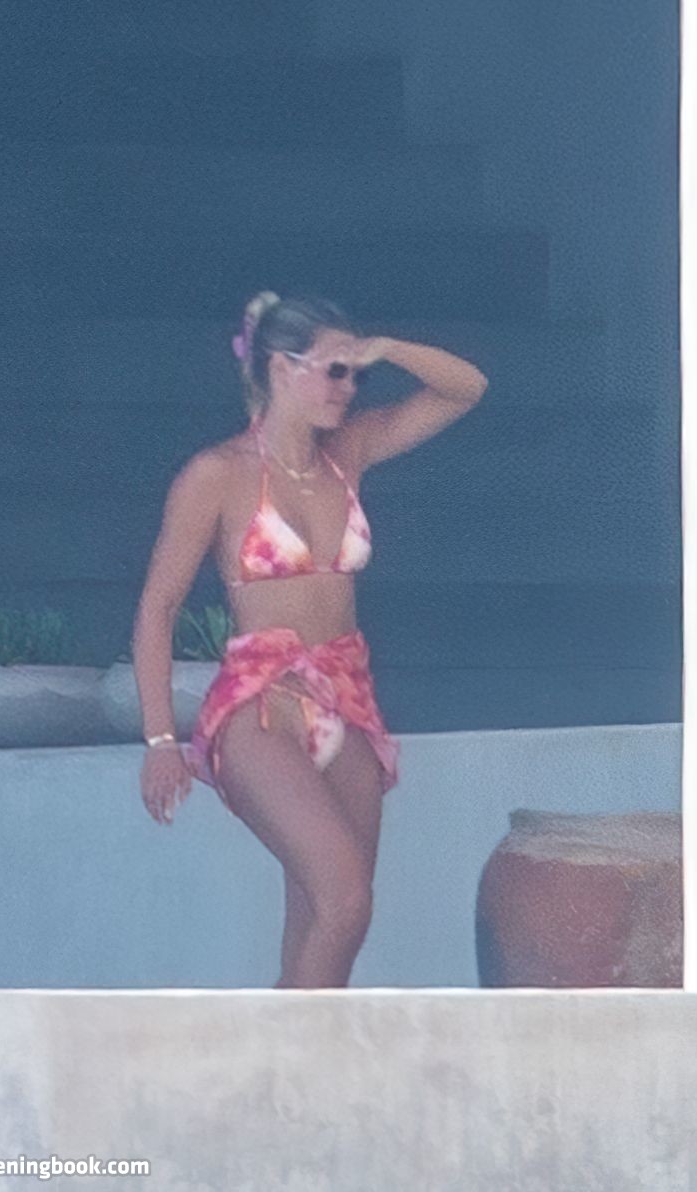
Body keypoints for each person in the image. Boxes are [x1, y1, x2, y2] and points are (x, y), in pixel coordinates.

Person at [133, 291, 488, 988]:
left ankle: (286, 1053)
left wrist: (386, 348)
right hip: (262, 705)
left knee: (331, 925)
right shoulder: (218, 474)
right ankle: (284, 1051)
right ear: (279, 368)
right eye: (333, 370)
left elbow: (466, 388)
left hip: (346, 699)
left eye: (355, 374)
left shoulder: (347, 454)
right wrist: (159, 740)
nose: (347, 388)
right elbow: (158, 607)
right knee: (344, 897)